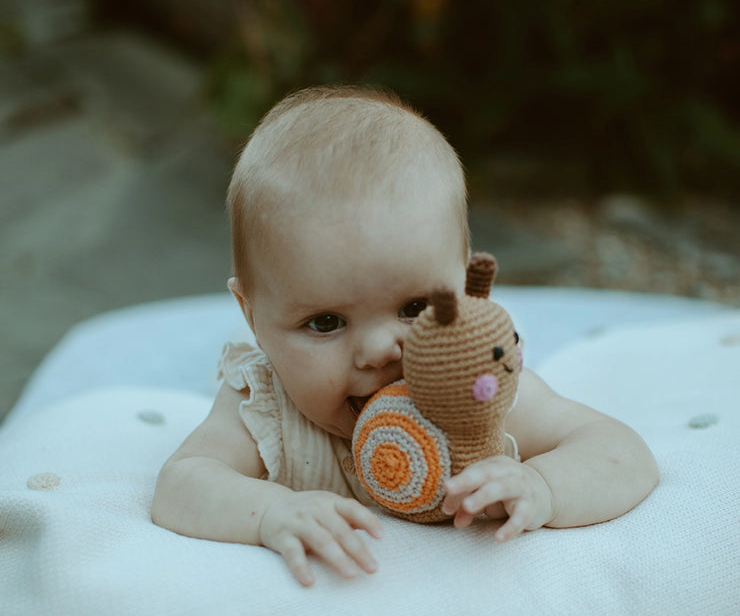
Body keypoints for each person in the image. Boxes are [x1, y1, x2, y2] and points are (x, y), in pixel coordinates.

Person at [151, 85, 658, 587]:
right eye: (325, 322)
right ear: (252, 315)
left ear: (467, 284)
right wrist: (269, 513)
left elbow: (621, 453)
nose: (378, 352)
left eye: (415, 307)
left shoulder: (478, 393)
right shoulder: (265, 407)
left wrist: (543, 485)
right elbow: (182, 483)